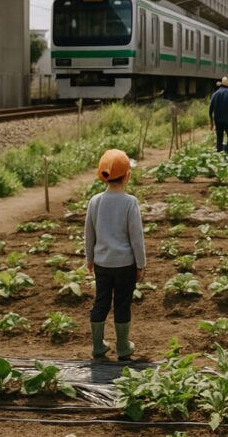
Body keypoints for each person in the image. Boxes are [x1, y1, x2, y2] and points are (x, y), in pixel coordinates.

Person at [84, 148, 146, 361]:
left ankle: (98, 346)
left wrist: (90, 259)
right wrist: (141, 264)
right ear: (128, 175)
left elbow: (89, 233)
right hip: (125, 265)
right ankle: (122, 346)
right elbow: (136, 237)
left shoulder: (95, 201)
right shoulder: (130, 202)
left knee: (101, 301)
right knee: (122, 303)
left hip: (102, 264)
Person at [209, 76, 228, 153]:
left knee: (219, 138)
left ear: (221, 85)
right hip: (227, 120)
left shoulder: (215, 94)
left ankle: (219, 153)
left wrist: (211, 122)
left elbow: (210, 109)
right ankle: (227, 150)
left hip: (217, 120)